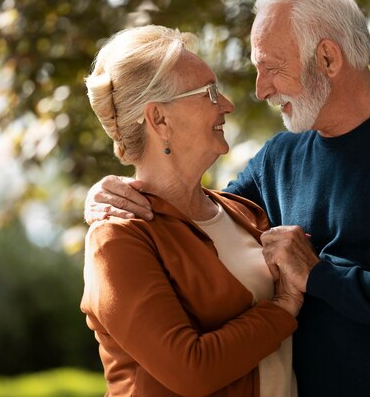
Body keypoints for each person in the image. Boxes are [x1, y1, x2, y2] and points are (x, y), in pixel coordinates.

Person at [84, 0, 370, 396]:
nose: (259, 91)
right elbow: (193, 220)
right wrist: (106, 194)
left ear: (327, 58)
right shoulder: (278, 160)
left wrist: (319, 278)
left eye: (272, 67)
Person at [81, 25, 303, 397]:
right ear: (159, 120)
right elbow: (192, 371)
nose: (227, 105)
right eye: (210, 93)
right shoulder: (118, 238)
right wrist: (285, 305)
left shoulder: (242, 211)